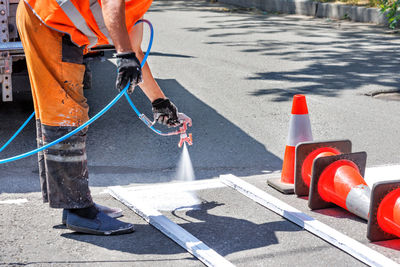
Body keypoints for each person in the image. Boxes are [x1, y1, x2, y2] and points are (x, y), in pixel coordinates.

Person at [16, 0, 183, 235]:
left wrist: (159, 101)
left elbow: (135, 52)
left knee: (65, 110)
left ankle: (77, 203)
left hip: (59, 27)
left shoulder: (140, 4)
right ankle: (79, 211)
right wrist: (123, 54)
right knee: (66, 113)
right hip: (48, 21)